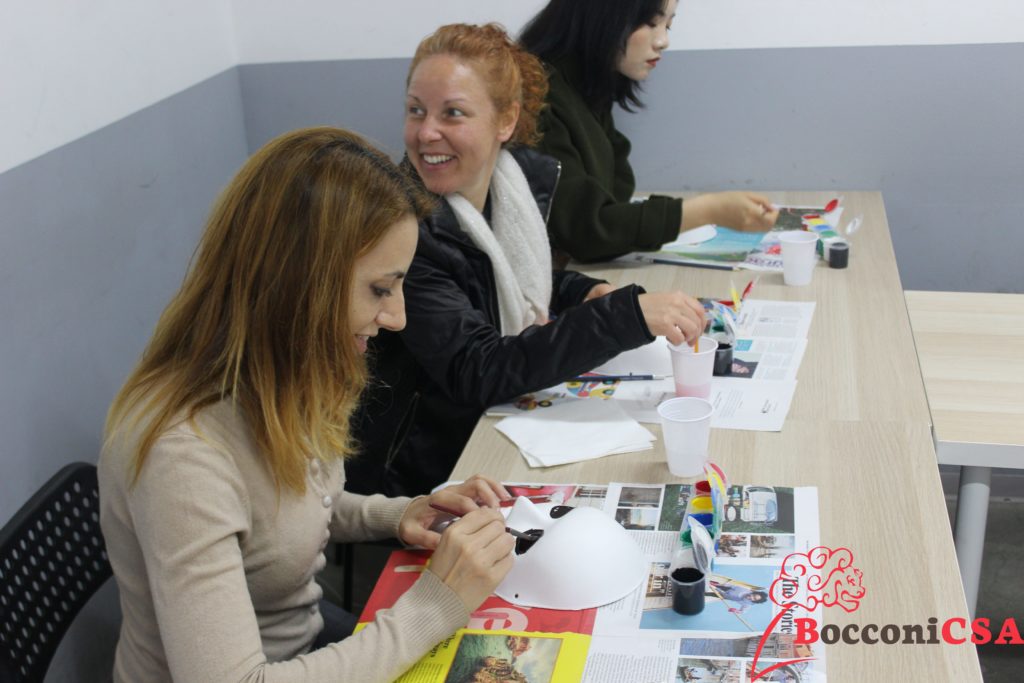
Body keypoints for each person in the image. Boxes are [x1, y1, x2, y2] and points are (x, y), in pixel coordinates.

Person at [98, 127, 519, 682]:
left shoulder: (282, 375)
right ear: (297, 285)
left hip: (305, 647)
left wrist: (398, 513)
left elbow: (286, 514)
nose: (397, 317)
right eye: (380, 289)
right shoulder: (182, 455)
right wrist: (437, 604)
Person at [346, 24, 707, 499]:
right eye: (416, 110)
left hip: (488, 434)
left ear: (506, 120)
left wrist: (584, 291)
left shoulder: (508, 190)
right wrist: (623, 317)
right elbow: (478, 368)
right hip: (424, 475)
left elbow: (505, 281)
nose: (426, 132)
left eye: (452, 113)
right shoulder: (405, 229)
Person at [520, 0, 780, 264]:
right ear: (599, 14)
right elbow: (589, 231)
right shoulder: (539, 98)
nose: (663, 41)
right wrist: (709, 210)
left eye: (668, 25)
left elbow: (612, 193)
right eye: (651, 22)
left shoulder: (587, 86)